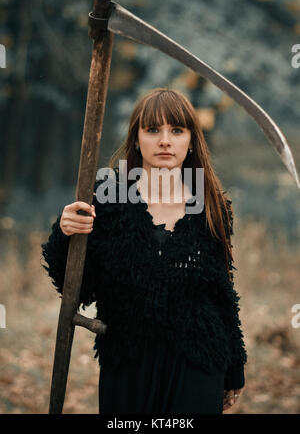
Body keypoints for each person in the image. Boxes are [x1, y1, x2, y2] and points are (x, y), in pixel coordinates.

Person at [41, 88, 247, 414]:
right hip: (128, 362)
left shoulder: (211, 204)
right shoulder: (109, 198)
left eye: (176, 130)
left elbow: (221, 292)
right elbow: (75, 284)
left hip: (198, 363)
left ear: (191, 140)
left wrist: (235, 364)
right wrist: (65, 233)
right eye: (153, 130)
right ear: (137, 138)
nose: (165, 140)